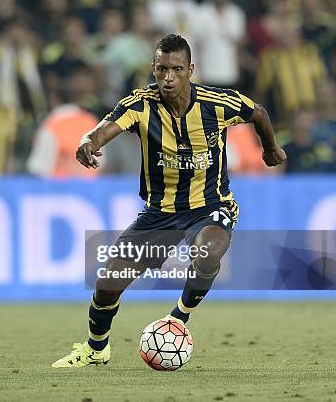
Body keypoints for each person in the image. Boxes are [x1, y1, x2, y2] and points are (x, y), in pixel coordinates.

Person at [52, 34, 286, 368]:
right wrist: (87, 142)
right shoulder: (140, 104)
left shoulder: (217, 103)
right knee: (106, 284)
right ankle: (96, 348)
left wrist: (270, 148)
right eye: (161, 69)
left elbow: (259, 113)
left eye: (176, 69)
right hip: (159, 215)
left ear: (190, 69)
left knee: (207, 254)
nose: (168, 77)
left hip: (210, 206)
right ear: (153, 68)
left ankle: (178, 318)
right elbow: (103, 128)